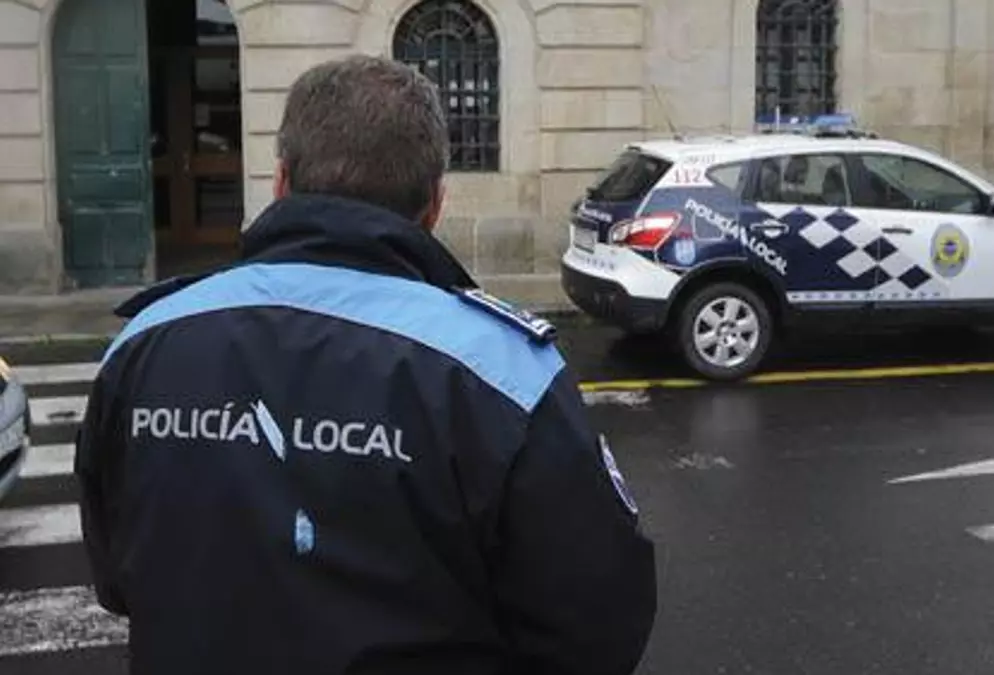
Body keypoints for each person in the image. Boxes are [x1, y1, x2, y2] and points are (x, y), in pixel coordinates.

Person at [75, 55, 657, 675]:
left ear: (280, 182)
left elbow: (117, 577)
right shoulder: (502, 372)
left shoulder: (144, 344)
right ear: (434, 205)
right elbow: (597, 624)